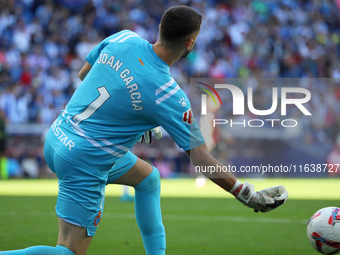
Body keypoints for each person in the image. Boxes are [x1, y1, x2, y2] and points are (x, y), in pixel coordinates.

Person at [1, 6, 288, 255]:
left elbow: (84, 75)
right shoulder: (168, 94)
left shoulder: (123, 37)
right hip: (84, 160)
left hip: (58, 136)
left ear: (160, 28)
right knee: (68, 251)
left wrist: (130, 117)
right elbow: (201, 159)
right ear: (190, 44)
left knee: (148, 178)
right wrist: (247, 193)